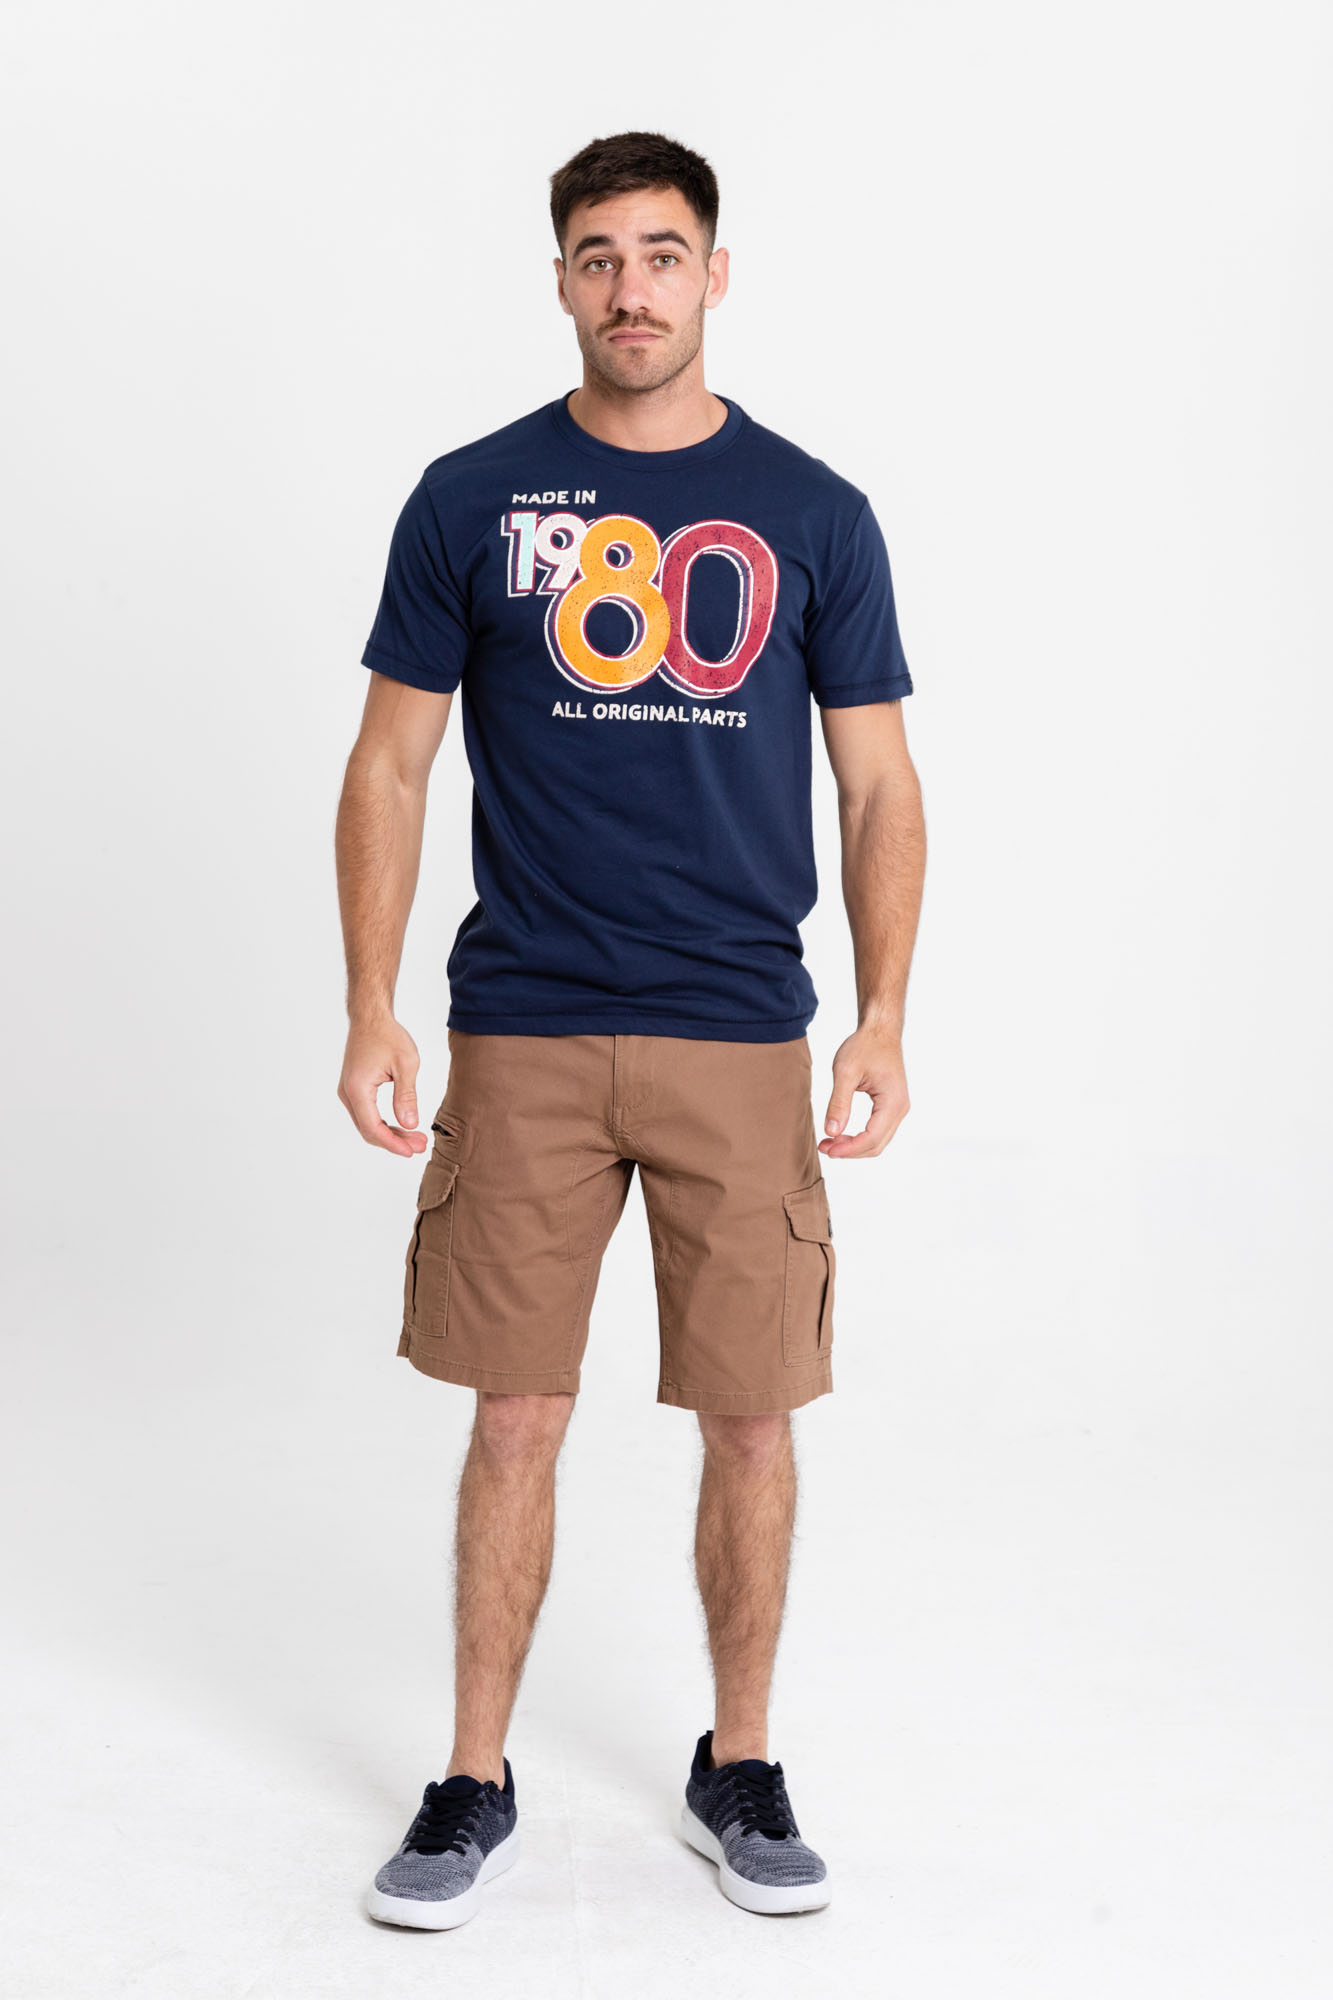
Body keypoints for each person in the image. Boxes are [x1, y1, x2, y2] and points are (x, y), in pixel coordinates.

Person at [335, 129, 926, 1929]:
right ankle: (471, 1776)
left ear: (714, 274)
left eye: (662, 254)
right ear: (560, 282)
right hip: (524, 1024)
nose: (631, 289)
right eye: (598, 256)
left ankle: (738, 1762)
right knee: (516, 1411)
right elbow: (389, 761)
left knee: (750, 1416)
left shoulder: (814, 512)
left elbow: (879, 784)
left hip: (740, 1031)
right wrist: (367, 1002)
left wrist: (883, 1016)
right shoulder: (469, 497)